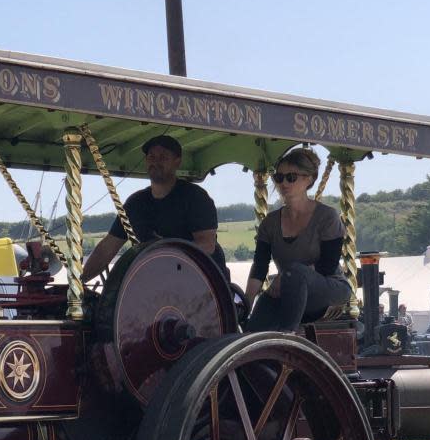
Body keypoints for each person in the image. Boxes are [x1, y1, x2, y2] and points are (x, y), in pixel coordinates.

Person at [81, 135, 228, 281]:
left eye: (163, 157)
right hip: (157, 282)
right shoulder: (135, 203)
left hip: (203, 281)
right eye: (151, 157)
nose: (156, 161)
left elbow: (207, 245)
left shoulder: (195, 197)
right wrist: (78, 284)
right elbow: (107, 249)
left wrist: (161, 257)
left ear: (177, 162)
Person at [243, 148, 351, 332]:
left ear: (309, 179)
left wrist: (287, 278)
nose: (283, 183)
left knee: (294, 273)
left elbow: (327, 265)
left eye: (291, 177)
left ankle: (288, 337)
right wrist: (245, 305)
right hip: (288, 287)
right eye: (279, 177)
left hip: (328, 288)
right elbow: (259, 268)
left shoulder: (327, 216)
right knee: (254, 329)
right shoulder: (270, 223)